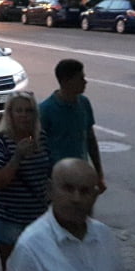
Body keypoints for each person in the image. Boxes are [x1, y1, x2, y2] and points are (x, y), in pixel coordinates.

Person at [6, 159, 126, 271]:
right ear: (50, 190)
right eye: (68, 189)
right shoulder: (31, 246)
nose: (76, 199)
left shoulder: (104, 236)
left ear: (95, 196)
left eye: (85, 191)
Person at [0, 92, 52, 271]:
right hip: (9, 220)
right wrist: (17, 157)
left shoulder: (41, 139)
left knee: (38, 270)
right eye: (18, 110)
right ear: (10, 114)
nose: (23, 115)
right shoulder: (0, 141)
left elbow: (47, 173)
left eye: (28, 111)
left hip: (38, 219)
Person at [39, 59, 105, 191]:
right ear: (66, 81)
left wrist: (99, 173)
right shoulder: (46, 110)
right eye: (80, 78)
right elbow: (35, 142)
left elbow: (90, 139)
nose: (85, 82)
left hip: (81, 173)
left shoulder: (84, 103)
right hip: (57, 178)